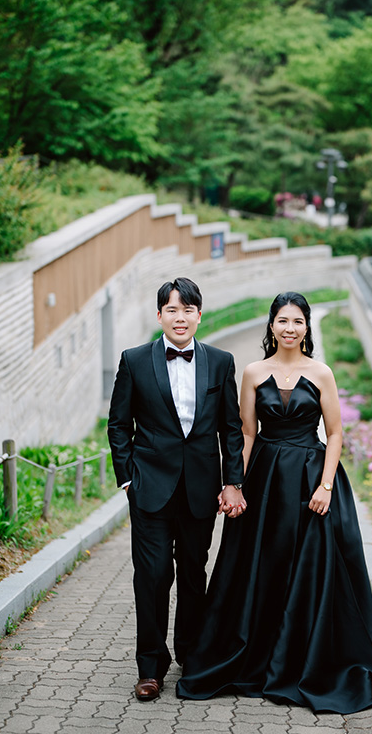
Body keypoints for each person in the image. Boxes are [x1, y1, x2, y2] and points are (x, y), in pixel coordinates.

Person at [177, 292, 372, 713]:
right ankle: (254, 654)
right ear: (271, 325)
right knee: (260, 565)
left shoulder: (322, 373)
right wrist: (235, 483)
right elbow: (247, 433)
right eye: (282, 321)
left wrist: (326, 486)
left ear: (307, 327)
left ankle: (303, 659)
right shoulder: (253, 372)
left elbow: (336, 433)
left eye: (298, 321)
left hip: (311, 477)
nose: (290, 328)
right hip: (266, 478)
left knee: (309, 568)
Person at [107, 277, 247, 702]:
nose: (180, 317)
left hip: (201, 490)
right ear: (159, 316)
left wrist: (233, 481)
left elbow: (231, 428)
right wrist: (128, 477)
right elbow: (118, 425)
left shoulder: (221, 362)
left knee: (191, 575)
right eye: (172, 310)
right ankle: (150, 667)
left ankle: (190, 654)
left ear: (199, 314)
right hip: (149, 489)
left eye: (187, 310)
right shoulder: (134, 360)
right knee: (151, 578)